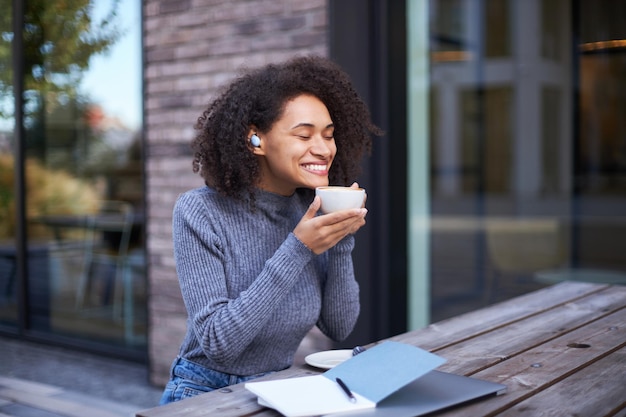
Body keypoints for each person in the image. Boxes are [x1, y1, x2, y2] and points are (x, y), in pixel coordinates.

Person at [159, 55, 382, 405]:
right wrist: (299, 247)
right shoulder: (200, 211)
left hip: (279, 392)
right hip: (204, 393)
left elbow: (338, 327)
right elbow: (218, 344)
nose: (324, 149)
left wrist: (340, 236)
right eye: (304, 134)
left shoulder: (307, 208)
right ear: (255, 141)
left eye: (329, 134)